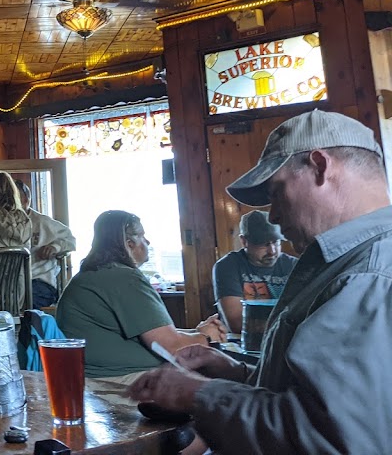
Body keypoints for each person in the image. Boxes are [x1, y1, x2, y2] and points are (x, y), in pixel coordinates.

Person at [130, 110, 392, 454]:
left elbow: (328, 437)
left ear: (320, 167)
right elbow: (322, 396)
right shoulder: (350, 261)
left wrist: (196, 393)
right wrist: (238, 373)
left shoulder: (366, 275)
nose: (274, 216)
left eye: (276, 191)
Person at [57, 210, 225, 382]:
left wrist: (196, 332)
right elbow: (172, 347)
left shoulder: (95, 275)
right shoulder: (124, 278)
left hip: (94, 376)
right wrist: (207, 337)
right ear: (129, 244)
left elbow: (154, 334)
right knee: (223, 385)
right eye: (143, 236)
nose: (148, 242)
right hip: (118, 378)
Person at [212, 210, 296, 334]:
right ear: (244, 241)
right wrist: (289, 324)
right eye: (264, 244)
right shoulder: (227, 266)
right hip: (243, 341)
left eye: (276, 242)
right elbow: (238, 324)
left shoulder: (294, 265)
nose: (272, 251)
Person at [16, 180, 76, 307]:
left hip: (38, 281)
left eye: (15, 198)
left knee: (26, 304)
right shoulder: (1, 224)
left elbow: (70, 239)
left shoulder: (43, 222)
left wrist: (55, 247)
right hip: (11, 283)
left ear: (26, 200)